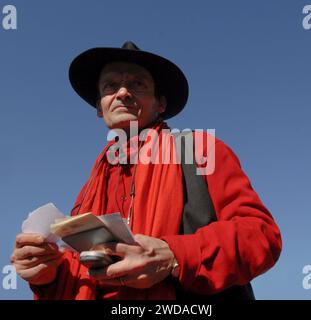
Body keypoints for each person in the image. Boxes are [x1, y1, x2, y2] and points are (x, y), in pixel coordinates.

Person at [11, 41, 282, 300]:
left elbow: (261, 236)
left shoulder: (199, 149)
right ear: (99, 107)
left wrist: (174, 255)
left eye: (137, 84)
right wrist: (46, 274)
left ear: (160, 104)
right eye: (110, 85)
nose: (122, 92)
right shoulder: (91, 186)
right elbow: (84, 270)